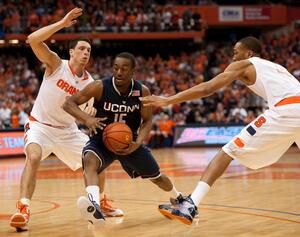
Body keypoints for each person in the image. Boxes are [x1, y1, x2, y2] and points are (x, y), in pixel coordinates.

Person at [140, 36, 300, 225]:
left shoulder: (244, 64)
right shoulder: (276, 67)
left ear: (248, 53)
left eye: (235, 52)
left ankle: (190, 205)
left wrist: (169, 100)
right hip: (294, 106)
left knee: (227, 151)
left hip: (288, 109)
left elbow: (208, 88)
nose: (232, 57)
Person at [10, 8, 123, 232]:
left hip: (68, 131)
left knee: (97, 159)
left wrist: (95, 117)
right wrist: (62, 23)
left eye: (88, 50)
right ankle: (23, 209)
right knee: (33, 156)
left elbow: (91, 113)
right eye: (81, 48)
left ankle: (99, 201)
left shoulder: (90, 83)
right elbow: (32, 39)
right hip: (40, 126)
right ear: (71, 52)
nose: (85, 53)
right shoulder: (56, 64)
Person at [63, 52, 183, 224]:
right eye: (116, 68)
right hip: (102, 140)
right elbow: (68, 103)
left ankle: (178, 199)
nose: (119, 72)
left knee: (156, 177)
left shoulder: (142, 91)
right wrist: (87, 119)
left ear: (133, 71)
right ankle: (95, 207)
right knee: (89, 160)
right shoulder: (100, 86)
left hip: (128, 142)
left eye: (124, 69)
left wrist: (138, 142)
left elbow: (147, 120)